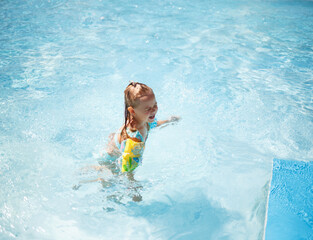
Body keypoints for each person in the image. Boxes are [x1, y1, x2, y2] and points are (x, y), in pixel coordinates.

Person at [100, 81, 180, 175]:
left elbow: (153, 124)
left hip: (113, 149)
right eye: (148, 109)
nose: (153, 110)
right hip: (110, 160)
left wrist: (168, 121)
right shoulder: (136, 136)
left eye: (155, 105)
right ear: (132, 111)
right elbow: (129, 165)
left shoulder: (143, 118)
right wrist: (132, 182)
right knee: (104, 175)